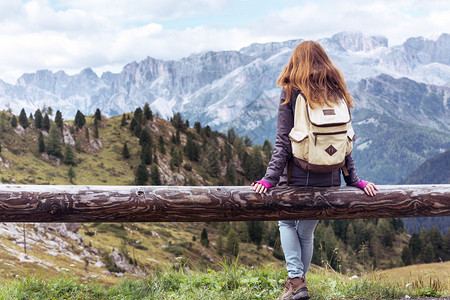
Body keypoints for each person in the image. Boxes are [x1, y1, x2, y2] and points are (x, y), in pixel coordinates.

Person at [251, 41, 377, 300]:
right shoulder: (336, 90)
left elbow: (283, 140)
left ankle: (296, 281)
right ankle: (297, 285)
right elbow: (345, 140)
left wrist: (269, 179)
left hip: (297, 176)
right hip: (330, 178)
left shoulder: (291, 90)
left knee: (285, 221)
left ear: (295, 62)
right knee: (306, 231)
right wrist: (354, 179)